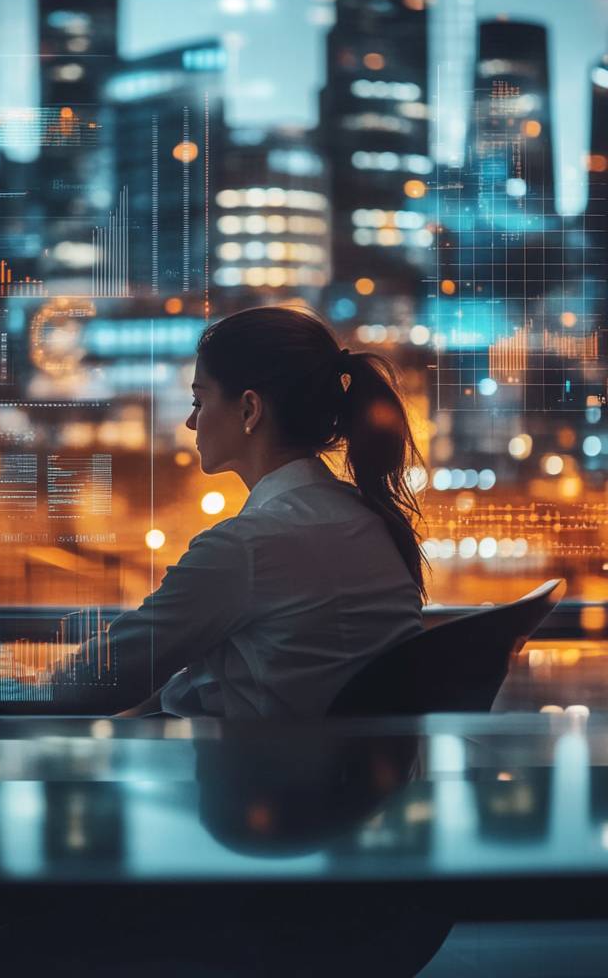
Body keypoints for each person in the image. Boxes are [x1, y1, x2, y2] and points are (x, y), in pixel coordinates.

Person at [75, 304, 427, 718]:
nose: (191, 422)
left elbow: (106, 674)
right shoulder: (366, 519)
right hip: (342, 757)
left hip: (267, 759)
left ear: (249, 410)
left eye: (199, 401)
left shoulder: (247, 547)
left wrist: (14, 686)